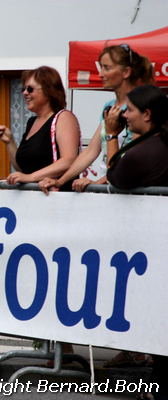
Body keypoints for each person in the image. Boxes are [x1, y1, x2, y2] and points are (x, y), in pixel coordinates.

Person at [107, 84, 168, 399]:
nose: (124, 115)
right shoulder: (157, 142)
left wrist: (110, 134)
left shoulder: (145, 151)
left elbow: (115, 175)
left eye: (129, 110)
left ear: (147, 114)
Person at [39, 45, 154, 194]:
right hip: (108, 187)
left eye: (106, 68)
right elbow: (91, 151)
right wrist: (60, 181)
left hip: (126, 188)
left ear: (126, 72)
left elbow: (137, 158)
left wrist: (97, 183)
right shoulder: (109, 106)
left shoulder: (140, 106)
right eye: (101, 68)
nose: (100, 74)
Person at [0, 66, 80, 190]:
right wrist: (9, 142)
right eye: (23, 89)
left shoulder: (64, 117)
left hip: (58, 197)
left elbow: (69, 160)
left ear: (48, 91)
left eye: (30, 89)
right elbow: (24, 169)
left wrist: (32, 177)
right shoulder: (32, 122)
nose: (25, 93)